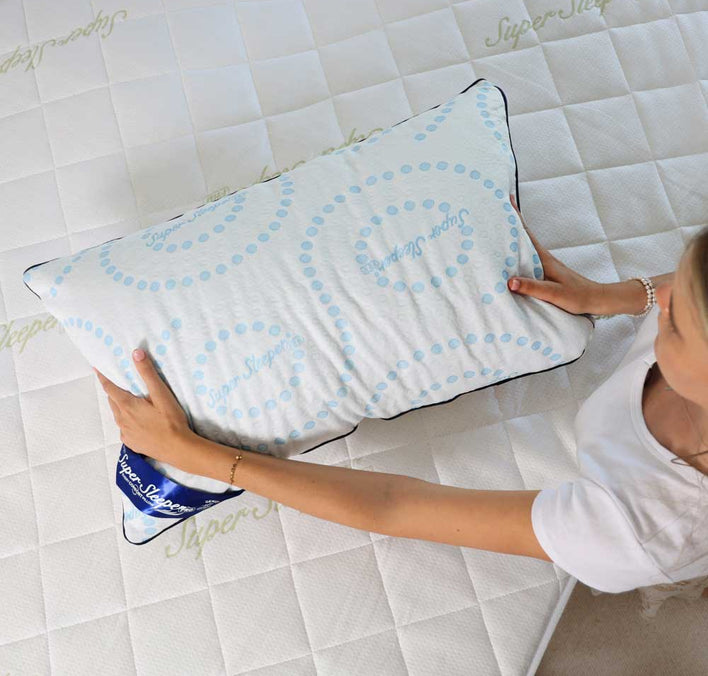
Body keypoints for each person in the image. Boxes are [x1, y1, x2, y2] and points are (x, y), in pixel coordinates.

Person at [94, 194, 708, 613]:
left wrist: (200, 456)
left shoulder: (637, 531)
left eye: (675, 324)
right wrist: (621, 294)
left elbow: (396, 506)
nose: (667, 306)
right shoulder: (688, 315)